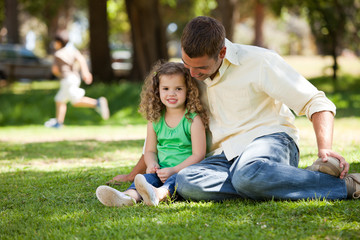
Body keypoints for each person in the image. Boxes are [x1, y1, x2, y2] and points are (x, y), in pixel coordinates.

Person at [172, 16, 359, 201]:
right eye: (186, 64)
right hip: (225, 156)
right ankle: (284, 181)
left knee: (247, 173)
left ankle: (347, 185)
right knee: (185, 181)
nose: (192, 74)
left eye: (201, 68)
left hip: (270, 141)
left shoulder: (260, 61)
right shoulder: (190, 73)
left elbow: (316, 101)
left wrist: (325, 148)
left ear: (222, 53)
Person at [96, 61, 209, 206]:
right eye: (166, 88)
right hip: (160, 171)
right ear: (158, 91)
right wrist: (152, 164)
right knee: (146, 178)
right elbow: (149, 150)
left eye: (178, 88)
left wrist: (173, 170)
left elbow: (198, 155)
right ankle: (126, 197)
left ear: (188, 90)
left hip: (183, 172)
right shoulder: (155, 119)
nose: (171, 94)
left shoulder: (193, 120)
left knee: (175, 181)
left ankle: (157, 194)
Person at [44, 31, 109, 128]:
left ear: (58, 42)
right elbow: (81, 60)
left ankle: (97, 103)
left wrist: (57, 74)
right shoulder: (72, 51)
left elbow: (55, 70)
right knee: (59, 100)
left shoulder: (58, 54)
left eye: (55, 42)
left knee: (76, 101)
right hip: (74, 78)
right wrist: (86, 72)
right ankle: (59, 122)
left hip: (66, 80)